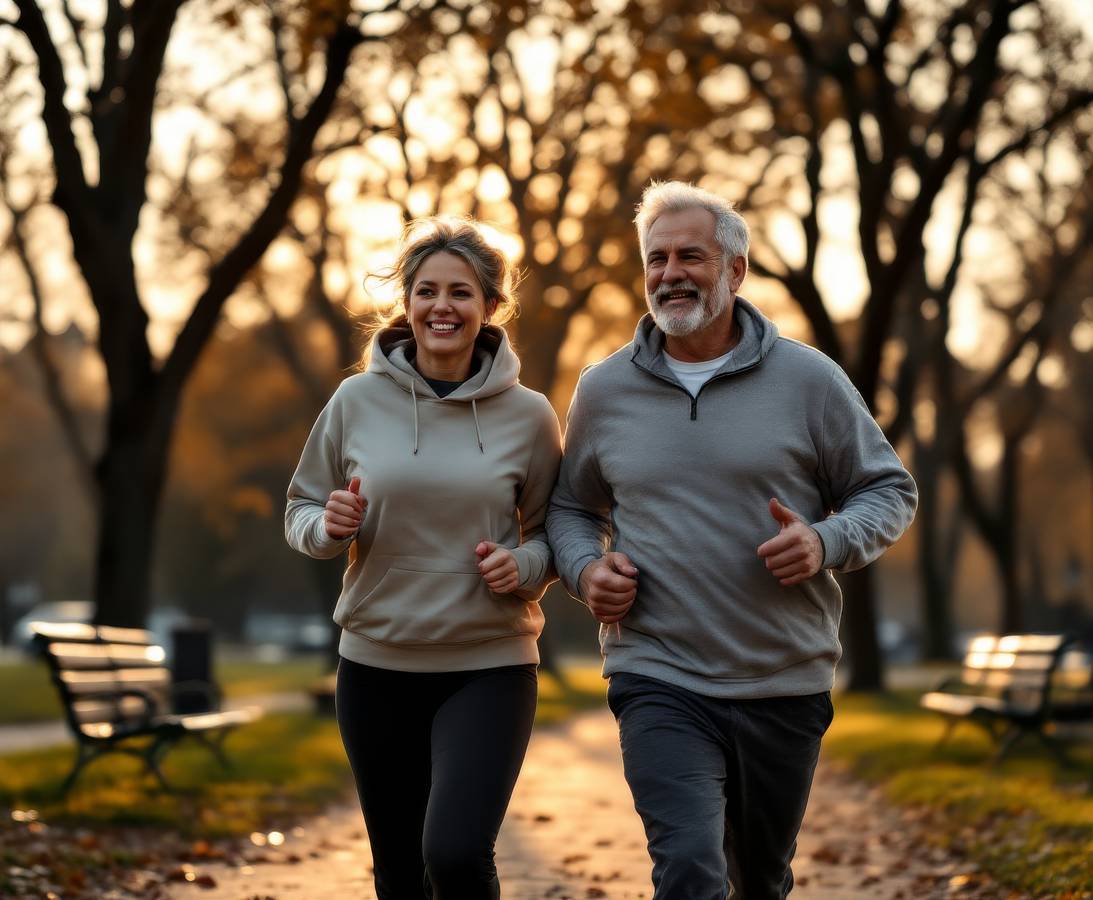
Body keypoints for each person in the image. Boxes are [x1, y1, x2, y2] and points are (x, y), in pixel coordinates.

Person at [546, 181, 917, 899]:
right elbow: (570, 507)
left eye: (691, 256)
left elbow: (888, 490)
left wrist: (825, 540)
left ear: (735, 269)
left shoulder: (809, 380)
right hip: (657, 672)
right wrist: (586, 569)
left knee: (759, 879)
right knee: (688, 867)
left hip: (783, 676)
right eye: (656, 259)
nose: (670, 274)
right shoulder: (604, 389)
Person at [285, 217, 561, 900]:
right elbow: (300, 508)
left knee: (457, 854)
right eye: (427, 291)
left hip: (489, 664)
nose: (443, 306)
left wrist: (523, 567)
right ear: (406, 303)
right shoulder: (355, 400)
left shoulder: (529, 415)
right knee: (400, 872)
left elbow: (555, 533)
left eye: (460, 292)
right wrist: (328, 527)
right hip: (375, 666)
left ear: (490, 306)